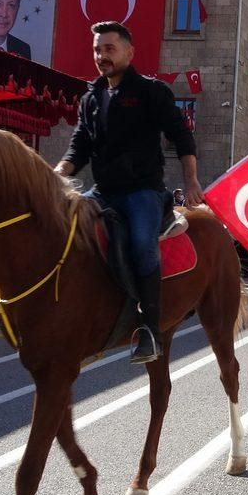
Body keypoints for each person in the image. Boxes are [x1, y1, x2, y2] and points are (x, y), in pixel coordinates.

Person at [56, 21, 202, 364]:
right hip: (102, 191)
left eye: (109, 48)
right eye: (97, 49)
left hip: (142, 192)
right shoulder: (91, 98)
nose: (102, 56)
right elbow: (79, 147)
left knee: (140, 244)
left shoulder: (152, 92)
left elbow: (181, 136)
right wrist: (57, 173)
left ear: (129, 52)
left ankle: (149, 329)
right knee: (65, 230)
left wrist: (192, 180)